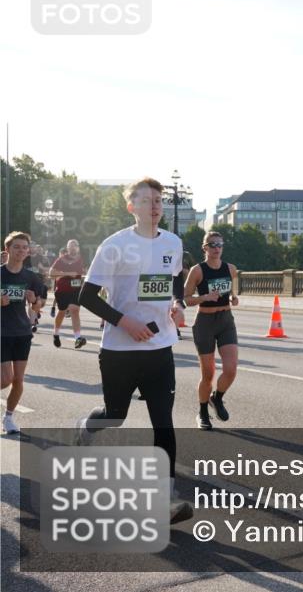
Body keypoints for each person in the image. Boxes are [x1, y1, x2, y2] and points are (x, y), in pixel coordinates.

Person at [74, 177, 192, 523]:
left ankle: (166, 498)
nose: (154, 205)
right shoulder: (114, 246)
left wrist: (178, 302)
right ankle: (86, 426)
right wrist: (126, 322)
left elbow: (175, 280)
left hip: (160, 347)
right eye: (146, 200)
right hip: (119, 349)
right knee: (115, 415)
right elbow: (86, 297)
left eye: (158, 199)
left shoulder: (172, 241)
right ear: (131, 207)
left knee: (164, 422)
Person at [184, 232, 240, 430]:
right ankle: (202, 412)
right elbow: (186, 299)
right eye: (212, 244)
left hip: (226, 320)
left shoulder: (231, 269)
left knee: (231, 369)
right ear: (204, 248)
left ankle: (217, 397)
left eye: (220, 244)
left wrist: (233, 298)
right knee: (208, 374)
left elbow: (231, 292)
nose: (217, 248)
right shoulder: (197, 271)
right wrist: (204, 297)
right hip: (205, 322)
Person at [2, 232, 47, 434]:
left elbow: (39, 306)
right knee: (5, 379)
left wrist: (34, 301)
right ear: (7, 249)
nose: (21, 250)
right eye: (16, 247)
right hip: (1, 332)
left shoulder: (31, 277)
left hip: (22, 332)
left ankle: (8, 418)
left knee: (19, 379)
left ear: (28, 252)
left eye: (24, 247)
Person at [49, 239, 87, 349]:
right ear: (67, 248)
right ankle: (56, 334)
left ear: (78, 248)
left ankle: (78, 338)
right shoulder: (62, 259)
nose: (73, 247)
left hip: (76, 290)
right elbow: (51, 273)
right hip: (62, 290)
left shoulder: (81, 259)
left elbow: (86, 271)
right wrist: (67, 274)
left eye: (75, 245)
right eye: (70, 246)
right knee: (61, 312)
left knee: (74, 310)